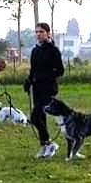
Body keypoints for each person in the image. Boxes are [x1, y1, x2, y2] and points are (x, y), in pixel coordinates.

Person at [24, 23, 64, 159]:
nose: (38, 34)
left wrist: (42, 77)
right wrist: (28, 80)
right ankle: (44, 145)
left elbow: (60, 71)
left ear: (48, 33)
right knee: (41, 117)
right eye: (36, 32)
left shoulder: (53, 50)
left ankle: (49, 143)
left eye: (41, 31)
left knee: (34, 117)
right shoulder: (35, 51)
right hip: (37, 89)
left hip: (49, 89)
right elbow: (33, 70)